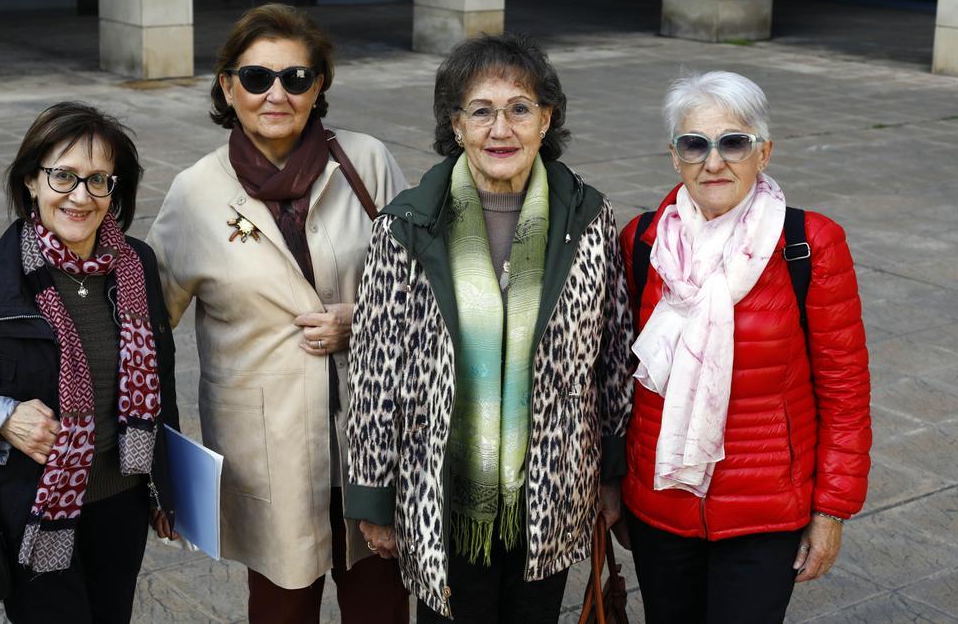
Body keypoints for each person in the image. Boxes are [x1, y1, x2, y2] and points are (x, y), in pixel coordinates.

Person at [344, 32, 637, 623]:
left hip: (552, 491)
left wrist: (610, 472)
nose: (500, 129)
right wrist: (373, 500)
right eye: (481, 111)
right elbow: (376, 375)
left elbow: (613, 356)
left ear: (545, 119)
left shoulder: (589, 216)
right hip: (441, 494)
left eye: (519, 109)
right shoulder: (407, 225)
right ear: (456, 125)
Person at [146, 3, 409, 623]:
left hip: (370, 438)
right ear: (227, 85)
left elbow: (424, 290)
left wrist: (361, 320)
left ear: (319, 87)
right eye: (257, 77)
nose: (276, 94)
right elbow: (148, 326)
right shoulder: (195, 192)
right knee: (280, 608)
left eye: (296, 78)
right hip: (266, 445)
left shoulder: (366, 163)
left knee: (381, 606)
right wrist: (154, 458)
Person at [0, 101, 181, 623]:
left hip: (122, 501)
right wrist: (3, 417)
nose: (80, 196)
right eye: (63, 176)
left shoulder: (135, 264)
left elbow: (160, 380)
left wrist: (168, 484)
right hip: (28, 510)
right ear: (31, 180)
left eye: (99, 180)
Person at [619, 70, 872, 623]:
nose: (714, 162)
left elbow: (845, 390)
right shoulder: (641, 242)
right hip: (660, 505)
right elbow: (616, 381)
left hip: (765, 512)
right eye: (695, 144)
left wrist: (831, 510)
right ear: (674, 156)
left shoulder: (810, 244)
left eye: (733, 142)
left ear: (764, 152)